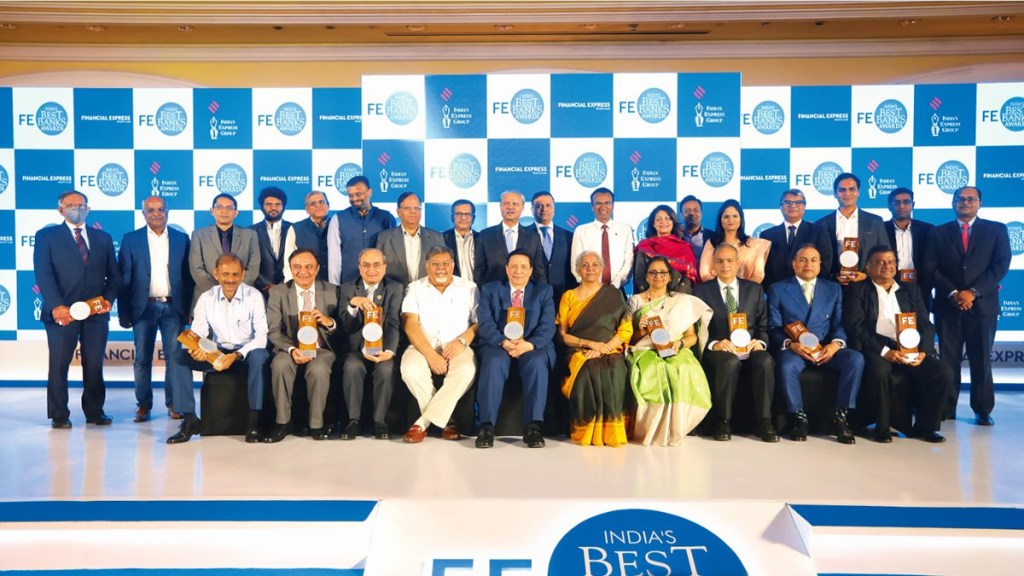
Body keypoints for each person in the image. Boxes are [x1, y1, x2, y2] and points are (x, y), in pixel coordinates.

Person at [923, 185, 1010, 426]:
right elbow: (931, 268)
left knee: (981, 360)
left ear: (980, 203)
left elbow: (1000, 267)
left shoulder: (996, 230)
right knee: (948, 361)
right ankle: (947, 407)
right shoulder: (937, 233)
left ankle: (982, 409)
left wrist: (972, 292)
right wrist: (953, 292)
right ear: (953, 203)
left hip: (983, 307)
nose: (965, 202)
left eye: (971, 199)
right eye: (960, 199)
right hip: (947, 306)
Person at [844, 246, 951, 443]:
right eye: (880, 262)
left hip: (910, 347)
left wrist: (923, 352)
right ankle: (882, 427)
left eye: (891, 262)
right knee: (879, 371)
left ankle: (925, 427)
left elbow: (926, 325)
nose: (887, 266)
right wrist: (885, 351)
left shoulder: (910, 289)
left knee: (942, 372)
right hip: (875, 347)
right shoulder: (857, 290)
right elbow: (856, 328)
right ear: (867, 266)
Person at [34, 190, 121, 428]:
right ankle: (59, 414)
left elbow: (114, 275)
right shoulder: (46, 236)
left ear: (89, 209)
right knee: (59, 365)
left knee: (94, 364)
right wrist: (55, 306)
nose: (77, 208)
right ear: (60, 209)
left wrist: (108, 300)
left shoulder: (102, 238)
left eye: (81, 205)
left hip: (96, 315)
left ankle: (95, 412)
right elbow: (43, 273)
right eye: (71, 205)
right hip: (61, 314)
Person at [166, 252, 270, 444]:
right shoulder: (206, 298)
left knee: (260, 356)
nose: (230, 279)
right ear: (216, 274)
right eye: (225, 274)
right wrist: (197, 350)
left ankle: (254, 422)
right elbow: (198, 333)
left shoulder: (254, 296)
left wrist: (237, 355)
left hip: (245, 354)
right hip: (217, 354)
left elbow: (262, 335)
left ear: (242, 274)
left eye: (235, 275)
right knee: (177, 357)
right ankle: (190, 420)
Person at [767, 244, 864, 444]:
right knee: (785, 366)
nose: (808, 264)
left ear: (820, 264)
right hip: (795, 349)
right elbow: (773, 327)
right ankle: (798, 418)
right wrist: (790, 344)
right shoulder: (778, 289)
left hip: (826, 348)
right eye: (802, 259)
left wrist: (836, 344)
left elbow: (838, 324)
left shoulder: (833, 288)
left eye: (813, 260)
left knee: (855, 359)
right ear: (794, 264)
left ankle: (841, 416)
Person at [117, 195, 193, 423]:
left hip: (174, 307)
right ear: (143, 213)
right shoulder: (131, 239)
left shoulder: (182, 238)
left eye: (161, 209)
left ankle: (174, 404)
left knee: (174, 358)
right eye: (151, 210)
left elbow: (188, 279)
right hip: (143, 308)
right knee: (142, 359)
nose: (156, 213)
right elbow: (124, 280)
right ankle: (143, 405)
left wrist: (189, 308)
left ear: (167, 211)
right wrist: (123, 312)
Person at [693, 244, 779, 443]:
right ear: (713, 265)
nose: (725, 265)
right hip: (720, 349)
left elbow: (763, 326)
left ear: (738, 263)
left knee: (765, 360)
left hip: (749, 347)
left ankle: (764, 421)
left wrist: (761, 343)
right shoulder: (701, 291)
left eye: (730, 260)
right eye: (720, 261)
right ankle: (723, 420)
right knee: (729, 362)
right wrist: (714, 344)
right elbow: (698, 329)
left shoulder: (754, 289)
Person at [626, 256, 712, 446]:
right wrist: (639, 329)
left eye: (663, 272)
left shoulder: (681, 301)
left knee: (681, 369)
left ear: (670, 276)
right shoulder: (635, 301)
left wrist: (679, 344)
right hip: (644, 348)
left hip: (674, 348)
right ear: (646, 277)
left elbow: (692, 336)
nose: (658, 276)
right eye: (653, 272)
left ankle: (678, 428)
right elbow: (627, 339)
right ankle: (650, 428)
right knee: (653, 372)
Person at [474, 250, 556, 449]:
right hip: (498, 344)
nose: (518, 271)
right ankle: (486, 426)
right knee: (494, 363)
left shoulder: (543, 291)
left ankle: (533, 426)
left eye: (523, 267)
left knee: (536, 362)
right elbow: (485, 323)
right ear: (507, 269)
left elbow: (547, 325)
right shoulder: (490, 289)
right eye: (514, 267)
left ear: (530, 271)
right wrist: (502, 341)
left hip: (531, 344)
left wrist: (529, 344)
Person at [400, 246, 478, 443]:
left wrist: (462, 341)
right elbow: (410, 324)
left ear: (453, 266)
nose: (440, 268)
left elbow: (478, 323)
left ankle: (422, 423)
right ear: (427, 266)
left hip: (458, 345)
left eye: (445, 264)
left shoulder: (469, 287)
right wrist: (430, 355)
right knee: (409, 369)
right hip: (422, 345)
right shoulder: (415, 287)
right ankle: (447, 421)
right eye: (435, 264)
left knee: (466, 370)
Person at [557, 251, 633, 447]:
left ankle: (613, 431)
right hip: (578, 349)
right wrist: (589, 344)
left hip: (610, 349)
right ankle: (587, 430)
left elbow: (625, 330)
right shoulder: (569, 296)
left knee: (616, 369)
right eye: (585, 265)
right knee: (590, 369)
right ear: (577, 270)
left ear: (601, 269)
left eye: (594, 264)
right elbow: (563, 335)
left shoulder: (614, 294)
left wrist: (604, 348)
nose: (590, 268)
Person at [264, 249, 340, 443]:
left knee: (319, 368)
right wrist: (292, 349)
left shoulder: (332, 290)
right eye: (297, 267)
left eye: (309, 267)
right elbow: (274, 331)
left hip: (321, 348)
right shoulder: (278, 292)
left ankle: (316, 424)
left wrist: (328, 321)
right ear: (290, 269)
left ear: (317, 269)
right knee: (280, 365)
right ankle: (282, 422)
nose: (303, 272)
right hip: (289, 348)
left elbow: (343, 327)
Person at [338, 248, 403, 440]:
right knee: (351, 367)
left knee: (385, 369)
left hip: (383, 348)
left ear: (384, 267)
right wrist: (353, 306)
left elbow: (393, 322)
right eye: (366, 265)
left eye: (376, 265)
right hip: (357, 349)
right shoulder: (348, 289)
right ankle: (353, 421)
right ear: (359, 267)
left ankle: (379, 421)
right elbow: (346, 327)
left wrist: (390, 350)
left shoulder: (394, 288)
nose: (371, 269)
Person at [815, 173, 890, 286]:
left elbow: (885, 254)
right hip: (832, 285)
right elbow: (818, 258)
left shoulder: (875, 222)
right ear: (835, 194)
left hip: (867, 284)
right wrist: (833, 276)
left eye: (852, 189)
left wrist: (866, 275)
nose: (847, 193)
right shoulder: (821, 224)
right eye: (842, 190)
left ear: (858, 192)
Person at [189, 193, 260, 310]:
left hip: (242, 300)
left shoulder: (250, 235)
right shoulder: (199, 235)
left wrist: (235, 290)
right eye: (219, 207)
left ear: (236, 212)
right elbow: (196, 269)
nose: (224, 211)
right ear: (212, 211)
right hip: (207, 299)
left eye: (229, 208)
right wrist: (219, 292)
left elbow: (253, 266)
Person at [327, 175, 396, 285]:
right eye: (350, 195)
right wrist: (335, 288)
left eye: (358, 194)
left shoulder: (386, 218)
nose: (354, 199)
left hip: (380, 286)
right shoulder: (338, 219)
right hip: (348, 286)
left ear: (370, 192)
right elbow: (334, 259)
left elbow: (392, 255)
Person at [761, 189, 834, 288]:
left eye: (798, 202)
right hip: (776, 293)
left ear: (805, 206)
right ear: (781, 206)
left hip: (809, 291)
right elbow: (762, 269)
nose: (793, 205)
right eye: (787, 202)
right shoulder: (767, 235)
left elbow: (825, 265)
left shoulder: (818, 232)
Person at [474, 189, 546, 286]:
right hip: (494, 295)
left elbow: (539, 271)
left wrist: (541, 294)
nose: (510, 207)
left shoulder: (533, 237)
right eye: (506, 203)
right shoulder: (485, 235)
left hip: (525, 296)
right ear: (500, 206)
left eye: (515, 204)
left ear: (522, 208)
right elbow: (479, 271)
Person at [375, 192, 445, 289]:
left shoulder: (436, 237)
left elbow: (444, 268)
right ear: (398, 212)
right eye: (408, 208)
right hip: (395, 295)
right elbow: (377, 269)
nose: (413, 211)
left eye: (417, 208)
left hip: (428, 294)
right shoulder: (384, 238)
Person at [570, 187, 635, 290]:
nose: (603, 207)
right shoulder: (581, 231)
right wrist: (591, 286)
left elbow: (629, 262)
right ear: (592, 206)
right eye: (598, 203)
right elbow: (575, 264)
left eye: (607, 203)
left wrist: (614, 286)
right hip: (588, 291)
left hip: (617, 290)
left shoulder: (625, 229)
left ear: (613, 206)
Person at [885, 187, 934, 312]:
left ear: (913, 205)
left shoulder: (928, 230)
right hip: (889, 285)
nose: (902, 206)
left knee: (921, 328)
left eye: (906, 202)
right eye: (897, 203)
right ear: (889, 206)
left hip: (920, 287)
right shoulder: (881, 229)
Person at [699, 199, 771, 284]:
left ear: (741, 219)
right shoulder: (712, 243)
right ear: (720, 220)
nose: (731, 220)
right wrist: (722, 289)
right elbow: (704, 274)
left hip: (747, 293)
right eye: (726, 216)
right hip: (716, 293)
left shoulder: (754, 245)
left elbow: (758, 275)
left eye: (735, 216)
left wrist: (742, 291)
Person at [633, 204, 698, 294]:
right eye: (658, 219)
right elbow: (639, 277)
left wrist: (675, 299)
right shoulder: (644, 247)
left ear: (673, 222)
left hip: (678, 299)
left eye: (667, 218)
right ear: (653, 224)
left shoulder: (684, 247)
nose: (663, 222)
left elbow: (690, 277)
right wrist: (651, 298)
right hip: (650, 300)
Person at [250, 186, 292, 295]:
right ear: (261, 206)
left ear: (283, 206)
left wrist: (282, 285)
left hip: (288, 289)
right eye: (269, 204)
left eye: (277, 204)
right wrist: (264, 284)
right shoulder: (250, 231)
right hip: (258, 291)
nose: (273, 208)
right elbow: (247, 263)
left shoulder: (294, 229)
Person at [283, 190, 332, 282]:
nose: (318, 206)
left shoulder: (338, 226)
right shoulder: (296, 228)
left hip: (335, 284)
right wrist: (290, 285)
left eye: (322, 202)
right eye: (313, 203)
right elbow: (288, 261)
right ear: (307, 209)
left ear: (328, 205)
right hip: (306, 283)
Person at [443, 199, 479, 281]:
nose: (463, 217)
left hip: (478, 289)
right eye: (458, 214)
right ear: (452, 217)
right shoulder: (442, 238)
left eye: (467, 214)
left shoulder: (483, 239)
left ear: (473, 218)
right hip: (452, 289)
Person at [679, 195, 714, 263]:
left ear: (701, 213)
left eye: (696, 210)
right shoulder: (673, 235)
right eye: (687, 211)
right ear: (681, 215)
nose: (692, 213)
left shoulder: (713, 237)